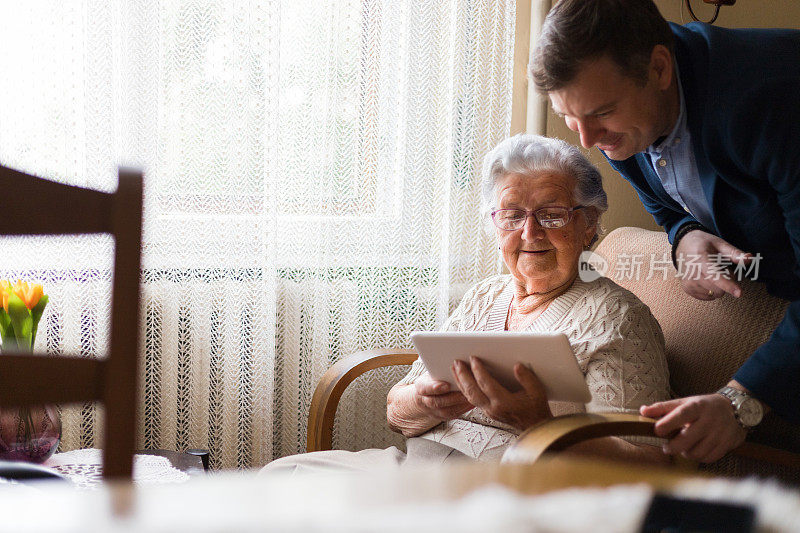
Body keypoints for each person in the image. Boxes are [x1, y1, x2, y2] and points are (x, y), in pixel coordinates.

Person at [261, 134, 670, 475]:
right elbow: (396, 413)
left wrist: (537, 423)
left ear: (589, 225)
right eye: (512, 215)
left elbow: (642, 469)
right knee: (278, 479)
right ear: (495, 224)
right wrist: (425, 401)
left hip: (509, 489)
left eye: (552, 214)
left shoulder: (617, 319)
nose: (530, 231)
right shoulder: (485, 295)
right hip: (414, 468)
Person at [530, 0, 800, 463]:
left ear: (659, 67)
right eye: (569, 118)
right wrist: (686, 235)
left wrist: (740, 401)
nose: (587, 141)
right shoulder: (629, 119)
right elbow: (664, 203)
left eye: (599, 114)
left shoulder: (769, 99)